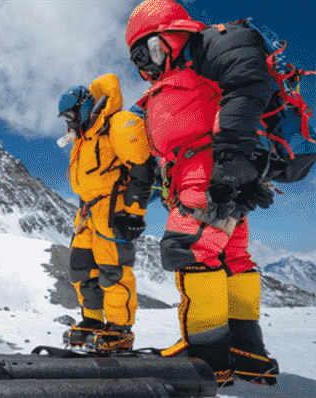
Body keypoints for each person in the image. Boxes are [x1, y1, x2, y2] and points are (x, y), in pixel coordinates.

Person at [125, 0, 278, 386]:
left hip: (212, 172)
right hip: (207, 175)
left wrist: (233, 158)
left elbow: (247, 79)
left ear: (171, 35)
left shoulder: (212, 44)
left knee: (187, 247)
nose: (146, 64)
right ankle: (247, 354)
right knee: (232, 259)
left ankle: (207, 359)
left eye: (149, 50)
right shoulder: (174, 82)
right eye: (138, 59)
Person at [56, 73, 155, 353]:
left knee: (114, 271)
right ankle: (93, 320)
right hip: (87, 212)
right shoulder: (85, 138)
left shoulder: (117, 125)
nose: (69, 121)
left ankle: (120, 329)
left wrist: (134, 213)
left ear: (84, 107)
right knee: (81, 268)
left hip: (114, 210)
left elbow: (142, 168)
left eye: (70, 115)